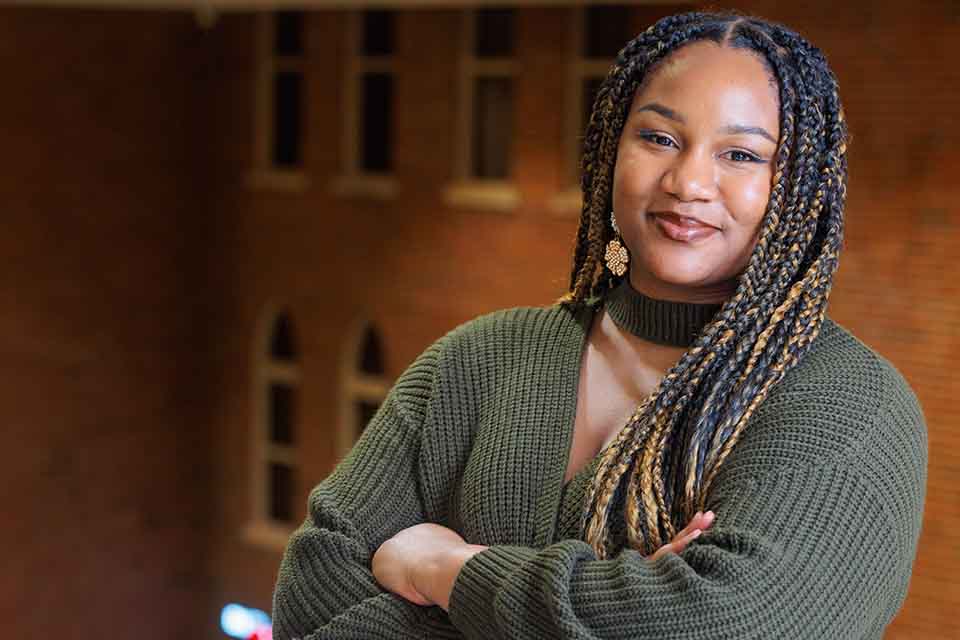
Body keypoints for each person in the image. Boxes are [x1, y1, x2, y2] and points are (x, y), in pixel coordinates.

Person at [271, 11, 927, 640]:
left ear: (798, 190)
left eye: (742, 156)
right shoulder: (477, 361)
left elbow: (731, 625)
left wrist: (445, 570)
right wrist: (621, 606)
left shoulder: (849, 403)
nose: (688, 180)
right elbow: (309, 598)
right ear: (612, 144)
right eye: (659, 138)